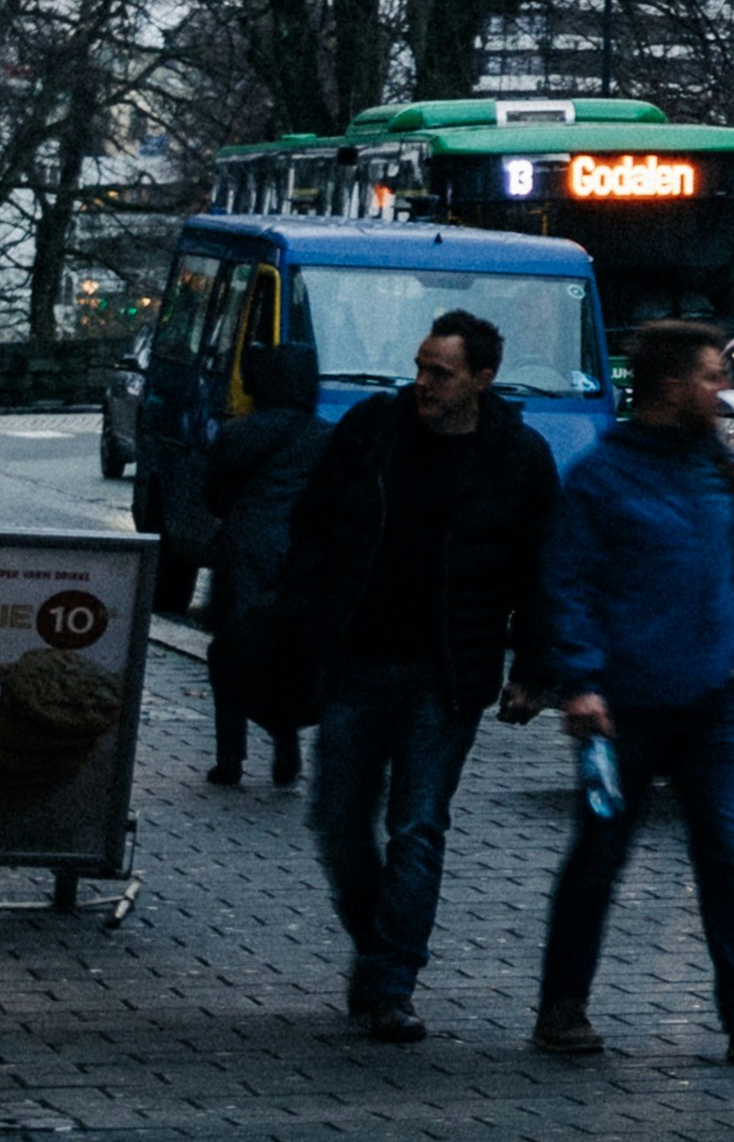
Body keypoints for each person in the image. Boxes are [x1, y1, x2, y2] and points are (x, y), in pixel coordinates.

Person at [280, 307, 566, 1041]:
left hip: (447, 675)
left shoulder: (516, 457)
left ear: (482, 378)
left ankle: (391, 984)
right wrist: (304, 623)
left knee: (416, 827)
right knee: (338, 822)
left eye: (440, 373)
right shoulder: (372, 432)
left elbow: (545, 572)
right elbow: (312, 527)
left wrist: (536, 671)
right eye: (419, 367)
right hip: (354, 660)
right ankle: (380, 951)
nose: (423, 384)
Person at [537, 316, 734, 1066]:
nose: (723, 390)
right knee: (599, 854)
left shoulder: (714, 468)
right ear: (674, 386)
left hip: (710, 698)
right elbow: (569, 583)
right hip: (622, 704)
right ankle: (562, 1003)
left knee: (728, 855)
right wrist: (580, 682)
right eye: (713, 376)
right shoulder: (603, 477)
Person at [191, 339, 326, 788]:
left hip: (245, 551)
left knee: (231, 652)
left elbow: (214, 495)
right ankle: (286, 742)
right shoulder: (325, 436)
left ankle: (230, 759)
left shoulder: (239, 434)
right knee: (288, 653)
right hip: (305, 558)